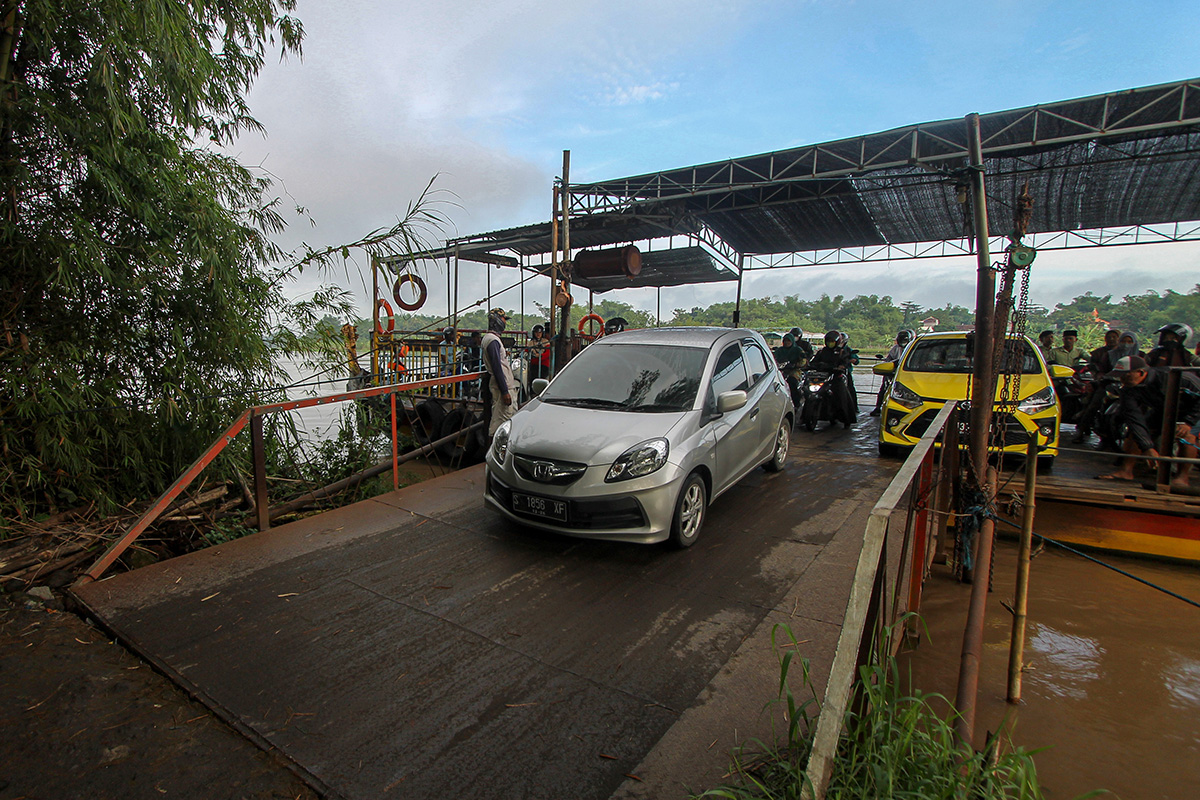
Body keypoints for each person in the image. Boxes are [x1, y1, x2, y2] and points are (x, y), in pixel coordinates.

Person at [1096, 355, 1200, 481]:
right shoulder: (1128, 390)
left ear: (1140, 372)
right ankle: (1126, 470)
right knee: (1136, 433)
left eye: (1125, 375)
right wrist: (1147, 447)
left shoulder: (1174, 378)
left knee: (1187, 436)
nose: (1122, 380)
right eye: (1120, 376)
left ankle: (1182, 477)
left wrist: (1189, 422)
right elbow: (1134, 419)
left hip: (1194, 411)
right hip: (1164, 409)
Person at [481, 309, 517, 437]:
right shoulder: (493, 340)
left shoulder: (491, 339)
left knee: (509, 418)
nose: (504, 323)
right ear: (497, 320)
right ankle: (495, 446)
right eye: (503, 319)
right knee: (502, 420)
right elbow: (497, 367)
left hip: (504, 383)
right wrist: (505, 391)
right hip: (502, 385)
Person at [871, 329, 914, 416]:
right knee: (884, 389)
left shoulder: (913, 349)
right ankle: (878, 407)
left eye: (905, 341)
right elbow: (888, 359)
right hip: (892, 372)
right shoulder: (895, 349)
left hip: (907, 374)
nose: (902, 344)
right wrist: (888, 365)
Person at [773, 333, 806, 408]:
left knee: (792, 382)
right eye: (785, 341)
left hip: (794, 371)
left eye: (789, 341)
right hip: (780, 371)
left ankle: (795, 403)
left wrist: (795, 365)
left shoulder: (798, 350)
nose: (787, 343)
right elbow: (773, 359)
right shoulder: (779, 350)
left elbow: (803, 361)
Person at [527, 323, 551, 393]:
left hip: (543, 364)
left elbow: (547, 353)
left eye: (540, 333)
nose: (538, 334)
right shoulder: (531, 342)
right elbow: (526, 351)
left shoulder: (545, 342)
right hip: (534, 364)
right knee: (532, 378)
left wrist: (539, 357)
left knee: (542, 378)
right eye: (536, 332)